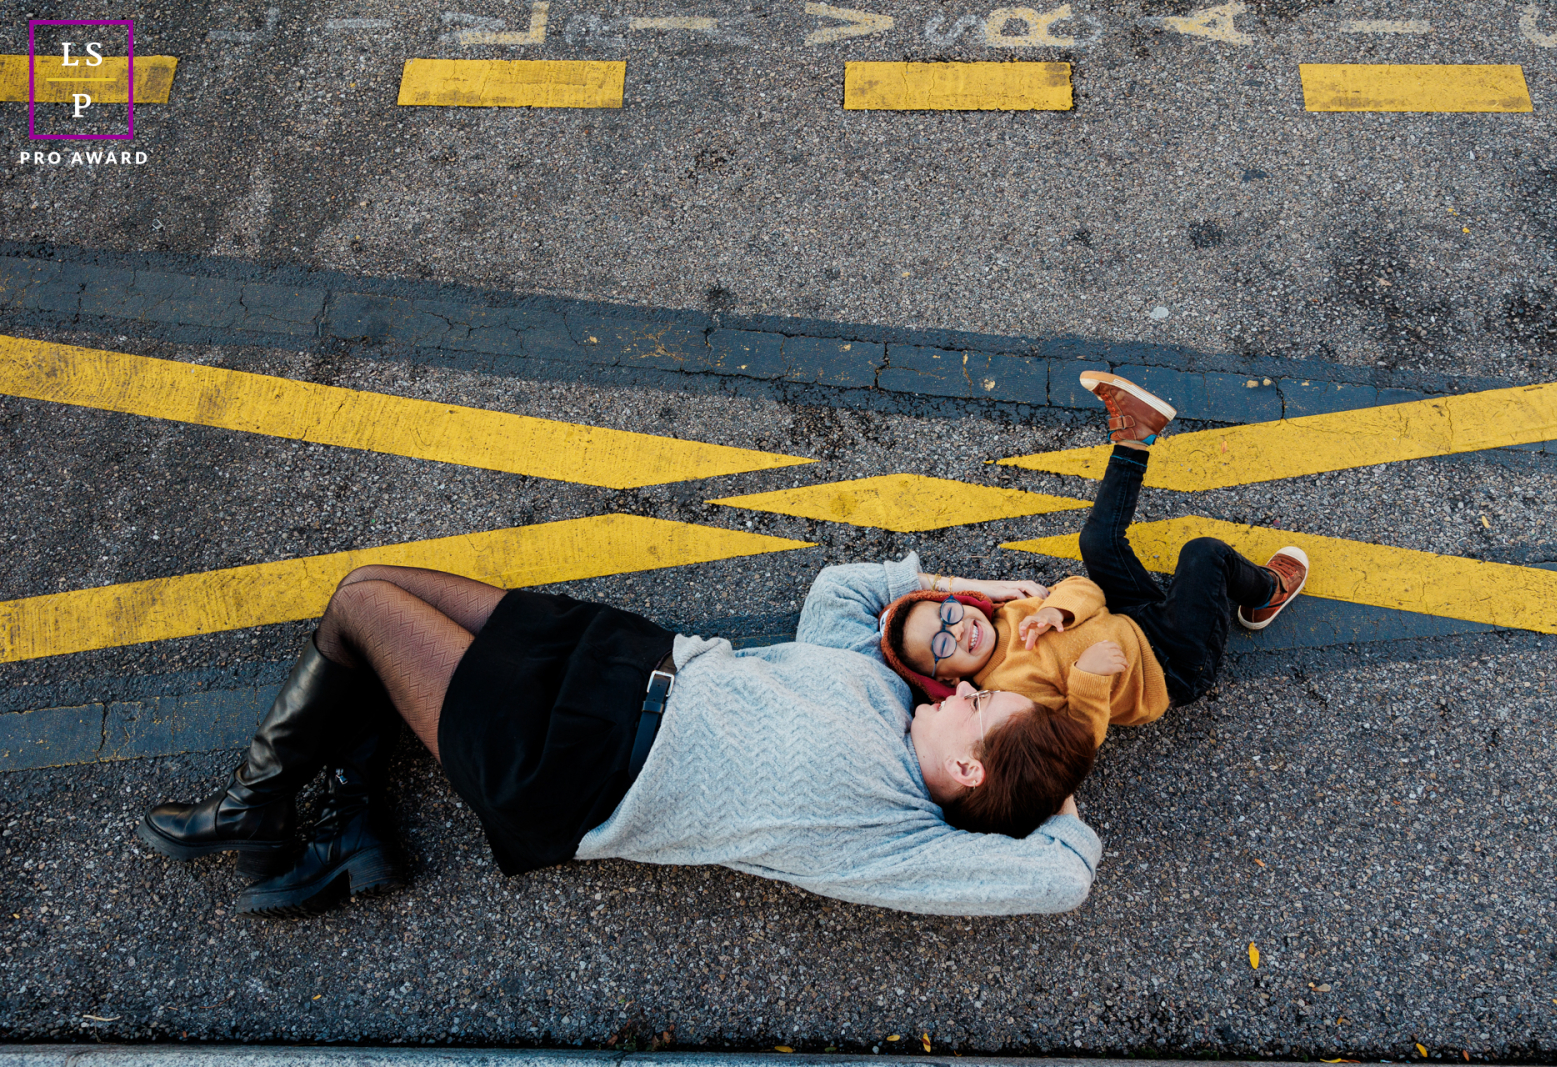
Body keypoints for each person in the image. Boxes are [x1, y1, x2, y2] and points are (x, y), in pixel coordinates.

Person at [136, 554, 1101, 918]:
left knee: (359, 611)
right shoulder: (882, 688)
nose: (966, 686)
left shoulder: (897, 838)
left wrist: (1046, 780)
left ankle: (260, 819)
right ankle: (349, 825)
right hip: (611, 658)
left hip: (568, 765)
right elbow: (844, 590)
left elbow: (1061, 875)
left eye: (977, 703)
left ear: (970, 766)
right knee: (375, 585)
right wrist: (973, 600)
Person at [879, 371, 1310, 753]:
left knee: (1097, 541)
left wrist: (1056, 608)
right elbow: (1074, 742)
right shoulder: (1007, 691)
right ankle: (1268, 593)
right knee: (1204, 553)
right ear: (951, 682)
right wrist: (1087, 679)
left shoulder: (1008, 615)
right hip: (1170, 665)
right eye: (941, 646)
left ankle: (1135, 437)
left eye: (946, 613)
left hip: (1129, 618)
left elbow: (1087, 590)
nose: (956, 630)